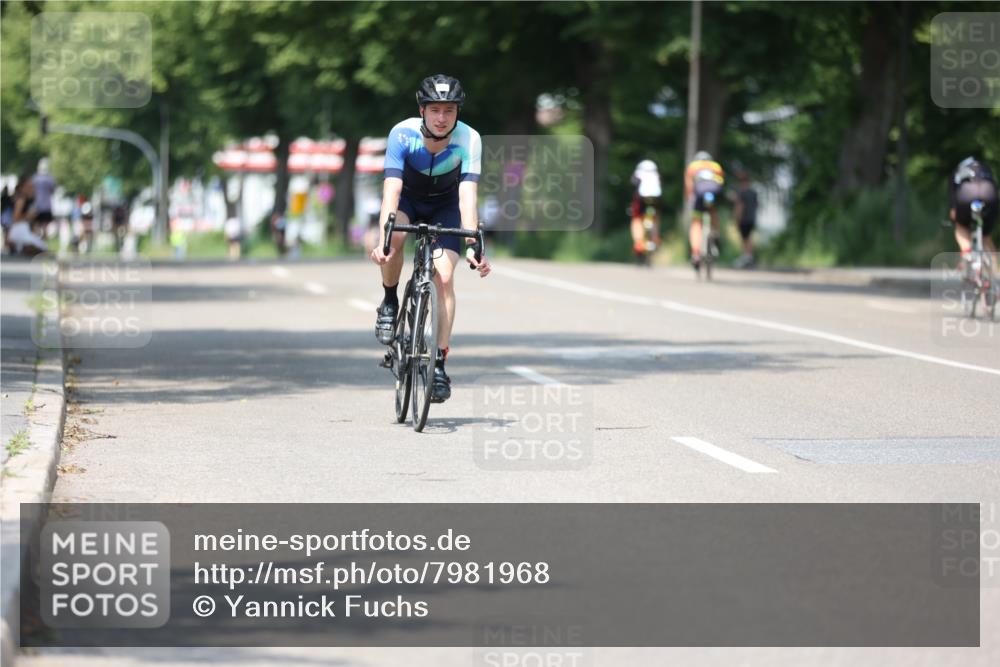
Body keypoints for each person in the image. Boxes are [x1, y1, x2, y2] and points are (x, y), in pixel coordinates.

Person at [369, 74, 491, 403]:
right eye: (435, 109)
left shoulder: (470, 139)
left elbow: (467, 196)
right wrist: (384, 240)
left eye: (449, 110)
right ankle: (390, 300)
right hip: (408, 200)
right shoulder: (402, 134)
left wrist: (471, 245)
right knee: (393, 244)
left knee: (445, 276)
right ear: (422, 110)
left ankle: (438, 363)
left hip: (446, 207)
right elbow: (391, 192)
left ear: (457, 112)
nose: (441, 118)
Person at [949, 157, 997, 276]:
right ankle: (996, 273)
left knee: (961, 226)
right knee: (986, 236)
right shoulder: (986, 169)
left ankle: (967, 252)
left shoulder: (958, 171)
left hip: (966, 193)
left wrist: (954, 210)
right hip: (989, 193)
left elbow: (952, 195)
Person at [685, 150, 725, 270]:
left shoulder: (693, 166)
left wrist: (690, 198)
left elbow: (689, 185)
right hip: (713, 196)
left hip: (699, 197)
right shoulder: (716, 166)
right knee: (713, 212)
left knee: (696, 222)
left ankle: (696, 253)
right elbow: (721, 184)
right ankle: (715, 234)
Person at [629, 159, 662, 260]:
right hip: (655, 200)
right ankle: (655, 236)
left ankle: (638, 242)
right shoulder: (657, 175)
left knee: (636, 218)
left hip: (641, 200)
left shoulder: (638, 174)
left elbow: (633, 184)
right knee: (656, 215)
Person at [732, 170, 758, 268]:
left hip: (743, 219)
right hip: (752, 218)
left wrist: (737, 218)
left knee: (744, 239)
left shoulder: (741, 192)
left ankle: (745, 257)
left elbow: (739, 206)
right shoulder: (753, 192)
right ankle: (749, 257)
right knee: (749, 237)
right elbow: (756, 205)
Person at [31, 158, 57, 238]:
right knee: (45, 227)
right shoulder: (50, 179)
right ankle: (43, 243)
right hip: (46, 206)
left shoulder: (35, 178)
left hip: (36, 206)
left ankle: (36, 242)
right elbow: (53, 190)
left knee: (35, 226)